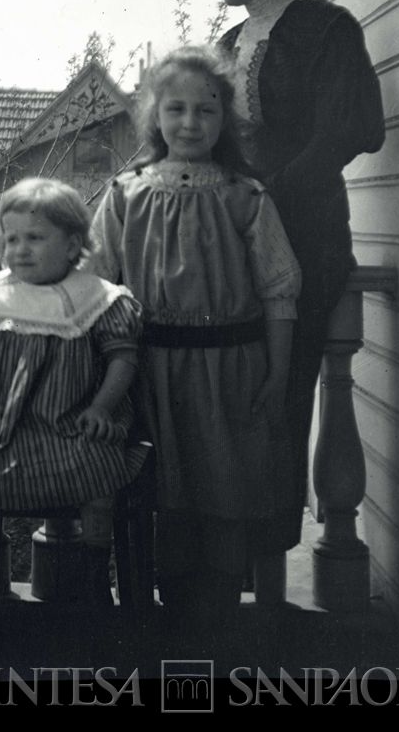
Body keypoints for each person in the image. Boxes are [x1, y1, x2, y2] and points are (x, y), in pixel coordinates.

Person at [176, 0, 386, 564]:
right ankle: (220, 549)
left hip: (305, 240)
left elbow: (349, 130)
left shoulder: (326, 28)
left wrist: (262, 204)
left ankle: (264, 560)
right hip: (229, 245)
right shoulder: (230, 43)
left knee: (282, 389)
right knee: (219, 388)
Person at [89, 46, 302, 625]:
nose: (189, 123)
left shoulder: (245, 195)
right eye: (175, 109)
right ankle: (173, 620)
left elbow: (280, 288)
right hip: (149, 369)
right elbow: (94, 283)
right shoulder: (125, 192)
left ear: (224, 119)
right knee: (165, 495)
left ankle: (219, 619)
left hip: (232, 369)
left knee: (226, 489)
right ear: (154, 117)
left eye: (205, 111)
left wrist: (277, 374)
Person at [0, 177, 146, 607]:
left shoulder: (96, 297)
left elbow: (122, 357)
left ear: (73, 242)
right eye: (12, 238)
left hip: (71, 419)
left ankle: (92, 576)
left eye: (36, 238)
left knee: (99, 466)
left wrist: (102, 407)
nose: (20, 249)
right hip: (5, 422)